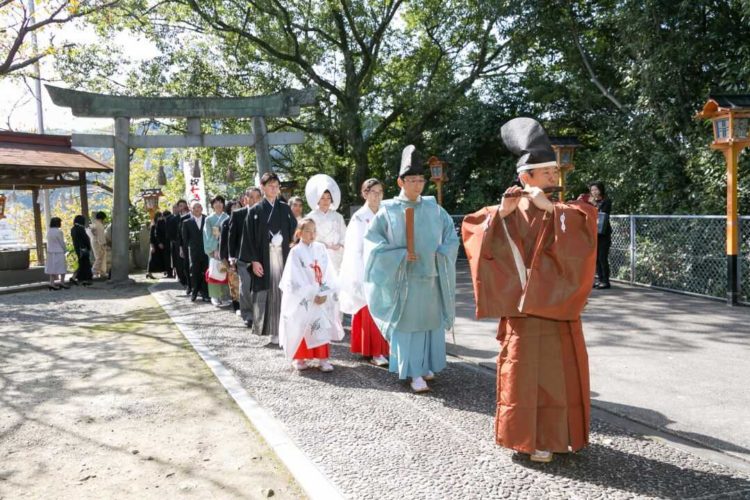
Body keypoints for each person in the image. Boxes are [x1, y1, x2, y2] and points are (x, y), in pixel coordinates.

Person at [461, 117, 597, 463]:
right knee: (525, 377)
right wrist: (501, 216)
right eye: (547, 173)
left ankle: (562, 436)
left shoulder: (568, 209)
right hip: (524, 312)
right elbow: (474, 230)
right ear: (526, 177)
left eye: (555, 172)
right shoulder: (506, 209)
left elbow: (584, 226)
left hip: (559, 310)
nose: (554, 177)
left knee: (561, 375)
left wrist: (551, 208)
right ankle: (527, 438)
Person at [364, 145, 459, 393]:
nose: (418, 185)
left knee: (430, 324)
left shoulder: (434, 208)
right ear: (400, 181)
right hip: (404, 280)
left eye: (420, 180)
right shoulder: (388, 211)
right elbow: (373, 245)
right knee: (410, 326)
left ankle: (427, 365)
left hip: (431, 275)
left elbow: (451, 236)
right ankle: (413, 371)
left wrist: (441, 253)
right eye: (412, 180)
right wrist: (400, 255)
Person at [279, 218, 344, 371]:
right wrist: (311, 293)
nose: (312, 234)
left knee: (321, 325)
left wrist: (324, 291)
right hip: (305, 296)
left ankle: (323, 358)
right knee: (302, 324)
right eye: (307, 231)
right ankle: (300, 358)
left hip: (320, 294)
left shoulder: (320, 248)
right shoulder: (295, 252)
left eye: (314, 231)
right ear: (299, 233)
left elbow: (328, 271)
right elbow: (294, 278)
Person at [240, 172, 297, 344]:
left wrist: (293, 243)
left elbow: (296, 231)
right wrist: (254, 261)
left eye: (276, 185)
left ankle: (287, 328)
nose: (274, 188)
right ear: (263, 188)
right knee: (270, 292)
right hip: (264, 258)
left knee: (284, 291)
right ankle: (272, 330)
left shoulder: (285, 209)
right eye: (270, 185)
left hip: (283, 256)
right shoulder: (255, 211)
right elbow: (248, 238)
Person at [340, 178, 389, 366]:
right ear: (365, 194)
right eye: (373, 192)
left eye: (380, 192)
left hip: (384, 266)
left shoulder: (385, 213)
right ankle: (375, 351)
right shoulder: (359, 217)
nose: (377, 196)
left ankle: (381, 348)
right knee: (369, 310)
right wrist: (358, 275)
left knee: (383, 310)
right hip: (365, 266)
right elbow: (353, 249)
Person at [229, 187, 262, 327]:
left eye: (257, 197)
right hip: (243, 257)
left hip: (260, 256)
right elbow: (232, 236)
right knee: (245, 285)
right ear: (245, 199)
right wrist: (232, 256)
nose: (254, 200)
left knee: (260, 287)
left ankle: (260, 314)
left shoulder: (264, 213)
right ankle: (248, 314)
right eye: (251, 197)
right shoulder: (238, 214)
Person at [305, 174, 347, 273]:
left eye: (328, 198)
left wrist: (340, 245)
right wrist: (322, 246)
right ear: (317, 199)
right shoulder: (310, 217)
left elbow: (345, 235)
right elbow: (307, 238)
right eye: (322, 198)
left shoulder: (338, 217)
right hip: (318, 255)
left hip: (337, 255)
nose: (325, 201)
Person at [203, 195, 230, 307]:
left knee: (225, 271)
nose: (218, 204)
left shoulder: (228, 217)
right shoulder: (209, 219)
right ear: (212, 205)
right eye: (216, 202)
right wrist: (214, 249)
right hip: (214, 251)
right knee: (214, 271)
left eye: (220, 202)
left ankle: (225, 296)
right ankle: (214, 296)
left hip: (226, 249)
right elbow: (207, 235)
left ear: (223, 204)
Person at [182, 201, 209, 302]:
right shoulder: (186, 222)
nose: (197, 209)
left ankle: (205, 293)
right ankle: (195, 291)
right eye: (194, 208)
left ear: (202, 208)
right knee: (195, 271)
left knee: (205, 271)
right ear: (191, 210)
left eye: (198, 207)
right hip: (193, 252)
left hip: (206, 251)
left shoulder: (207, 220)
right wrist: (185, 252)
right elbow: (185, 239)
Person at [589, 181, 612, 289]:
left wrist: (593, 204)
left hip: (604, 233)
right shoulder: (591, 202)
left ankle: (606, 281)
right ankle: (600, 279)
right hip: (594, 233)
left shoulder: (606, 201)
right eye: (592, 190)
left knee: (603, 257)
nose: (594, 192)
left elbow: (604, 212)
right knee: (596, 258)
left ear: (601, 190)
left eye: (596, 189)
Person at [220, 201, 241, 313]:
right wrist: (223, 257)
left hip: (242, 255)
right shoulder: (225, 222)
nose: (236, 209)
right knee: (233, 282)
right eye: (234, 207)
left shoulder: (245, 219)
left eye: (238, 206)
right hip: (230, 257)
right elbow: (223, 242)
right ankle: (236, 305)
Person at [167, 200, 189, 287]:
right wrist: (176, 241)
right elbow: (169, 233)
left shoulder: (190, 217)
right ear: (178, 207)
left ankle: (190, 282)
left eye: (184, 205)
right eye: (180, 206)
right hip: (177, 244)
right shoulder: (172, 219)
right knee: (179, 264)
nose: (182, 207)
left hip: (189, 243)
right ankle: (183, 281)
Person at [45, 217, 69, 290]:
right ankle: (62, 282)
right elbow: (61, 242)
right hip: (59, 251)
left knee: (52, 268)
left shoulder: (49, 231)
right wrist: (65, 250)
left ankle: (51, 283)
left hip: (50, 251)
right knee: (62, 268)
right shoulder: (59, 232)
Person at [70, 214, 93, 286]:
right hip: (83, 249)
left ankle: (75, 277)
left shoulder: (73, 229)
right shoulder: (81, 229)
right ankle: (85, 280)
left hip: (77, 249)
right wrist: (89, 247)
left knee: (81, 264)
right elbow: (86, 239)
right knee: (85, 264)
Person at [146, 211, 168, 279]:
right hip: (155, 244)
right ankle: (149, 273)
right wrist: (152, 246)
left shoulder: (161, 224)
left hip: (159, 244)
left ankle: (165, 271)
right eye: (159, 216)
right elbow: (151, 237)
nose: (161, 218)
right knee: (152, 259)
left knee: (161, 259)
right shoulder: (153, 225)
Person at [90, 211, 108, 279]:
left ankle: (101, 272)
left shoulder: (94, 223)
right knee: (100, 257)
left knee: (99, 257)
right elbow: (100, 235)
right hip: (98, 242)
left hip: (95, 241)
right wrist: (103, 243)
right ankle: (94, 270)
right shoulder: (99, 225)